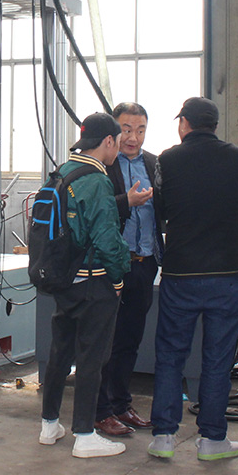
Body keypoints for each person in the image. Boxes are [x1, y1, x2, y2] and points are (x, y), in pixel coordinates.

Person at [148, 97, 238, 462]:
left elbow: (160, 210)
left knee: (170, 354)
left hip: (182, 273)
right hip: (228, 274)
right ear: (215, 125)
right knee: (218, 358)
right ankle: (212, 439)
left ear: (185, 124)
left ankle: (163, 436)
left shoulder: (166, 160)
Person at [39, 112, 132, 458]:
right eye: (118, 142)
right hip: (94, 282)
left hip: (64, 279)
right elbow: (107, 238)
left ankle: (49, 424)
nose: (119, 148)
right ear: (108, 141)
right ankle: (84, 434)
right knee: (92, 357)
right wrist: (119, 276)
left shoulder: (62, 172)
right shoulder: (96, 180)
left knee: (60, 353)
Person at [94, 102, 162, 437]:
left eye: (140, 130)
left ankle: (121, 404)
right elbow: (96, 209)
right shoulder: (103, 164)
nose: (133, 137)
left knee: (130, 340)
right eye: (126, 129)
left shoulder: (154, 164)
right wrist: (127, 202)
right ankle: (100, 410)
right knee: (105, 341)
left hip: (144, 264)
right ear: (114, 132)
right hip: (111, 267)